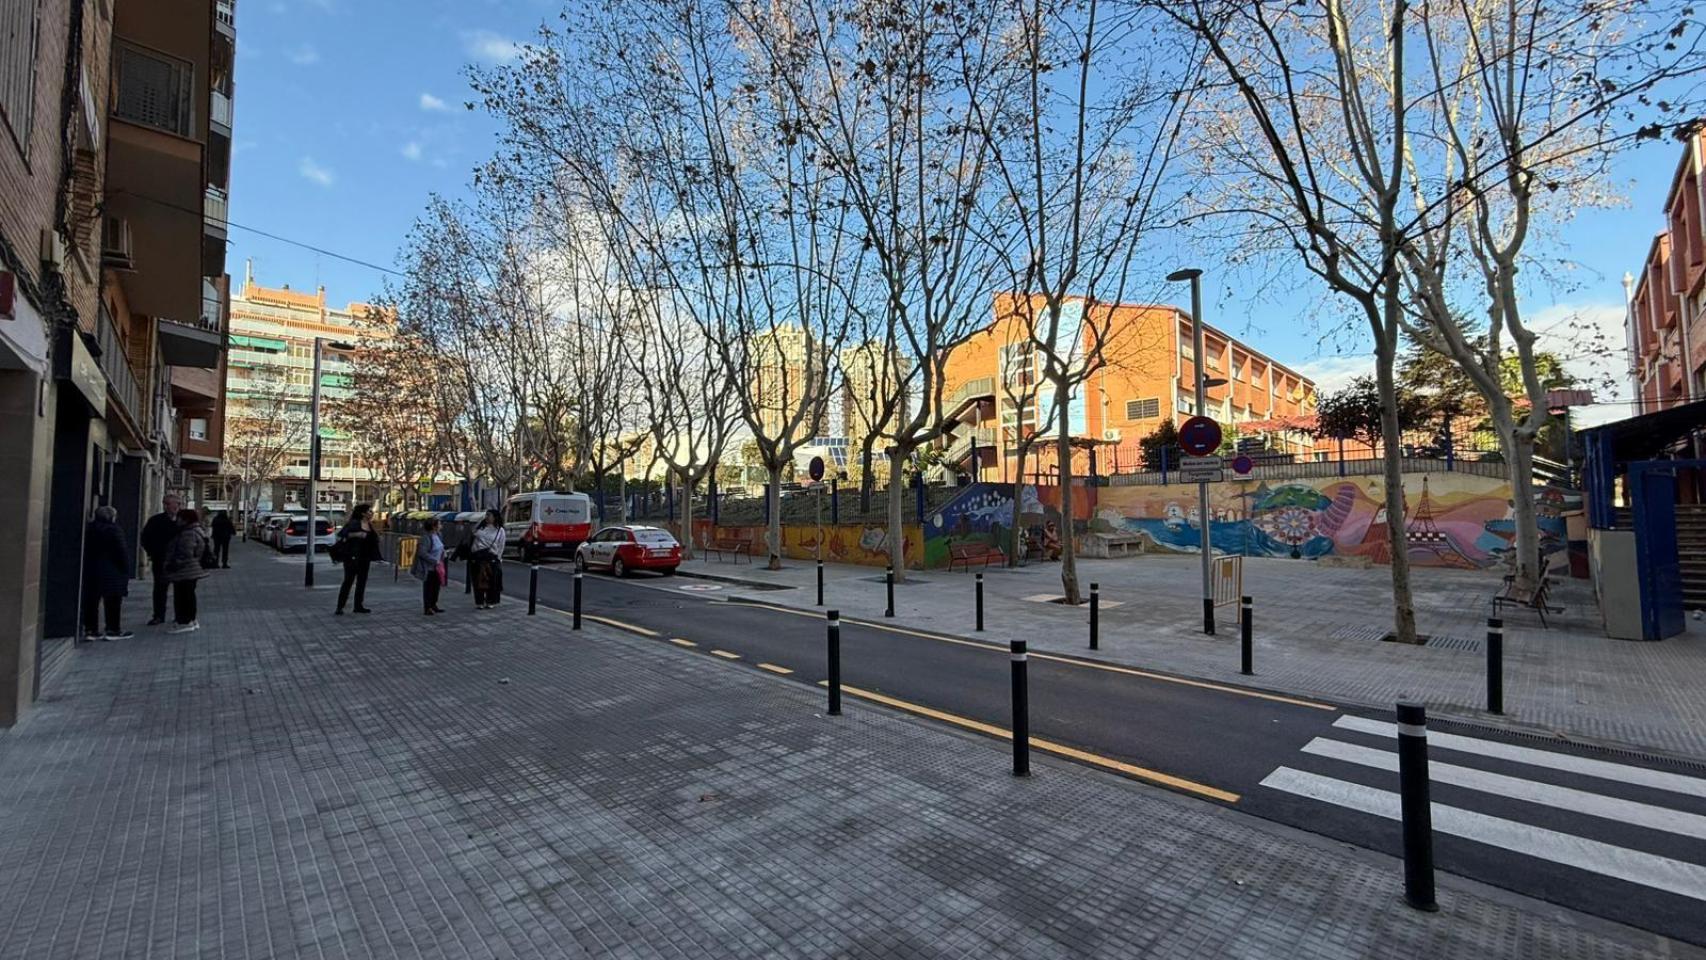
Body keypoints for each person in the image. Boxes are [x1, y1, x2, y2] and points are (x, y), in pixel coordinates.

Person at [82, 505, 133, 640]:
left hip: (92, 570)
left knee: (92, 601)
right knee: (113, 602)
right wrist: (126, 569)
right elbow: (121, 551)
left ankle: (90, 629)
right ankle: (113, 629)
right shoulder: (114, 530)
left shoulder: (89, 529)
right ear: (112, 517)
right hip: (112, 571)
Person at [164, 508, 212, 634]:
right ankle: (190, 619)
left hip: (185, 570)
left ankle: (185, 621)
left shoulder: (188, 533)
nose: (176, 520)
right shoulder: (195, 530)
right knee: (188, 595)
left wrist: (174, 564)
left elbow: (186, 552)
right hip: (191, 568)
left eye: (179, 518)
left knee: (183, 596)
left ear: (185, 519)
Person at [140, 493, 182, 626]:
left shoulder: (183, 520)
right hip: (161, 560)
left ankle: (180, 615)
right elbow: (145, 538)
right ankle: (158, 615)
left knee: (180, 589)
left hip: (180, 561)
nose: (174, 507)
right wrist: (153, 553)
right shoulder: (156, 521)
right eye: (168, 504)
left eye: (176, 504)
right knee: (160, 589)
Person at [334, 503, 383, 615]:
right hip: (352, 557)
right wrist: (357, 534)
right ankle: (340, 606)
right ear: (363, 513)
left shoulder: (369, 525)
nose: (372, 513)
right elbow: (342, 535)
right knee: (348, 581)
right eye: (369, 511)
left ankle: (358, 605)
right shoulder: (354, 523)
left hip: (365, 557)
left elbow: (373, 539)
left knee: (362, 582)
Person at [470, 509, 506, 610]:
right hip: (478, 557)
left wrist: (498, 558)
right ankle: (479, 601)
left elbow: (501, 545)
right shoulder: (481, 527)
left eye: (489, 515)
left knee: (491, 581)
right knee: (478, 580)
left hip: (491, 558)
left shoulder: (500, 530)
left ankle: (490, 601)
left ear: (495, 517)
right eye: (486, 515)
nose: (487, 517)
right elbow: (473, 534)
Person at [414, 518, 447, 615]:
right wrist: (434, 560)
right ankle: (427, 607)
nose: (441, 526)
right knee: (429, 587)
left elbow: (440, 547)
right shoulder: (426, 538)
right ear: (434, 526)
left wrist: (443, 554)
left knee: (436, 587)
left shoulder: (438, 535)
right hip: (429, 567)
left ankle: (434, 604)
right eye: (439, 524)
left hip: (438, 566)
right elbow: (422, 552)